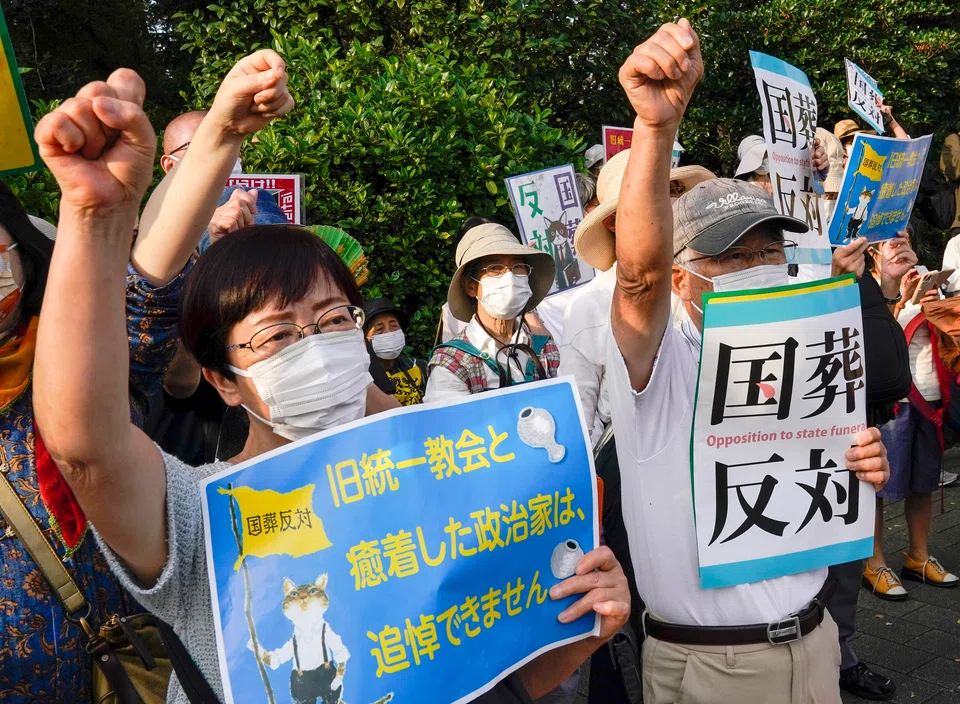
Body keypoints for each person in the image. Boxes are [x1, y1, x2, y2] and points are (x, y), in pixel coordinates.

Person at [33, 61, 632, 704]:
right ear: (222, 379)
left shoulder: (443, 479)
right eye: (278, 336)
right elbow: (84, 447)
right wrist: (94, 218)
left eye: (332, 320)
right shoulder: (205, 517)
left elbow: (494, 683)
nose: (317, 348)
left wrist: (585, 624)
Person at [608, 21, 890, 702]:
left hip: (816, 642)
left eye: (769, 251)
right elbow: (637, 277)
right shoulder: (657, 361)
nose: (758, 267)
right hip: (711, 669)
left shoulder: (806, 352)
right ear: (683, 278)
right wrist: (655, 126)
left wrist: (857, 465)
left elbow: (825, 476)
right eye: (732, 256)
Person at [0, 94, 195, 701]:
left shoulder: (87, 363)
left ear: (25, 261)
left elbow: (148, 293)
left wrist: (101, 215)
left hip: (120, 674)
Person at [861, 238, 960, 599]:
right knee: (878, 486)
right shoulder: (862, 288)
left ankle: (918, 556)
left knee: (924, 482)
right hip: (893, 403)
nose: (899, 244)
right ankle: (873, 563)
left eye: (904, 237)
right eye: (890, 240)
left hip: (932, 397)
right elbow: (870, 340)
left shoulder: (925, 279)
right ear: (872, 252)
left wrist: (940, 308)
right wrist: (901, 303)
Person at [425, 223, 558, 401]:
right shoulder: (452, 363)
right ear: (471, 286)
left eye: (517, 266)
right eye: (494, 268)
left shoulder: (543, 347)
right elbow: (454, 425)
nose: (509, 276)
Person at [363, 297, 428, 405]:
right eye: (379, 329)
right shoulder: (364, 380)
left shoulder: (419, 367)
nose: (388, 332)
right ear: (366, 338)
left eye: (394, 326)